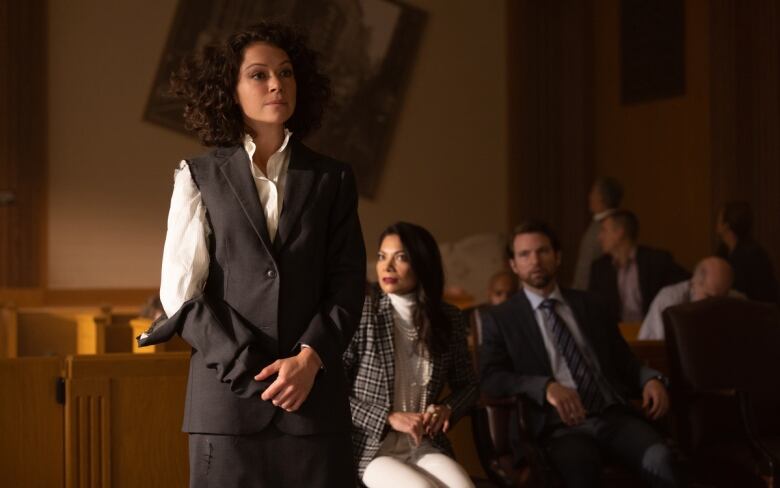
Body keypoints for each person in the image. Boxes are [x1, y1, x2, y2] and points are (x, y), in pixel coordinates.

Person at [137, 21, 366, 487]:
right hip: (225, 409)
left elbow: (346, 285)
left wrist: (309, 360)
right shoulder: (197, 174)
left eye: (285, 73)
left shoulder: (333, 178)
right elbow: (182, 294)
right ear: (230, 89)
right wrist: (250, 371)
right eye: (259, 74)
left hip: (314, 405)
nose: (277, 84)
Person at [480, 220, 680, 488]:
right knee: (580, 469)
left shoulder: (591, 304)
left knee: (661, 458)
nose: (535, 261)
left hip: (611, 415)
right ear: (514, 265)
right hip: (558, 427)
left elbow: (624, 360)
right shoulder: (501, 318)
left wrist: (650, 379)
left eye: (543, 251)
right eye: (524, 255)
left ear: (558, 256)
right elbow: (492, 377)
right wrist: (545, 387)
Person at [344, 222, 478, 488]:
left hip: (423, 444)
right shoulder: (363, 315)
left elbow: (469, 386)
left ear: (422, 263)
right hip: (373, 448)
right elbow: (332, 392)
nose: (387, 266)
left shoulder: (448, 318)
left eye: (401, 257)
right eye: (382, 256)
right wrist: (388, 417)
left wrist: (447, 408)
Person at [589, 210, 688, 322]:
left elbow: (687, 285)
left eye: (604, 230)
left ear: (620, 232)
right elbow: (594, 309)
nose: (599, 237)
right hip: (614, 335)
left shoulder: (656, 261)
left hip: (652, 334)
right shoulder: (599, 268)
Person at [639, 257, 743, 340]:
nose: (718, 305)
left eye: (723, 297)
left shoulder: (737, 301)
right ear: (694, 284)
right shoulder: (669, 301)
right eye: (710, 297)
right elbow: (660, 349)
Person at [715, 201, 778, 303]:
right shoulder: (723, 251)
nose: (716, 221)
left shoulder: (753, 255)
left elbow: (761, 295)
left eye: (719, 218)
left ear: (726, 225)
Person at [572, 177, 623, 290]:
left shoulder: (610, 226)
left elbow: (586, 267)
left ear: (601, 197)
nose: (589, 197)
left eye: (593, 193)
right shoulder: (598, 224)